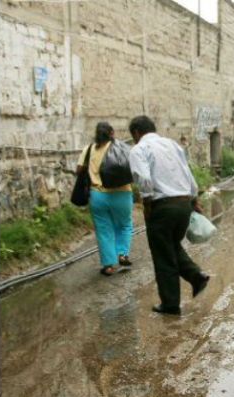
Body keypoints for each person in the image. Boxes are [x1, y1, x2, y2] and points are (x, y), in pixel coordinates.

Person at [128, 115, 209, 315]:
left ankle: (171, 304)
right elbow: (187, 172)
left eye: (133, 136)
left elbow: (144, 179)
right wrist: (194, 199)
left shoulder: (139, 149)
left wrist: (147, 204)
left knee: (162, 254)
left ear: (137, 133)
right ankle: (196, 276)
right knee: (171, 245)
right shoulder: (172, 145)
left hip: (162, 206)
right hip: (183, 204)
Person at [77, 122, 134, 276]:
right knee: (125, 225)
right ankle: (122, 254)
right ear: (112, 132)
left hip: (98, 196)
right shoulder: (122, 148)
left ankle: (108, 266)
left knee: (104, 230)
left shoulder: (88, 149)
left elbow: (79, 170)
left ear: (96, 134)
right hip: (122, 194)